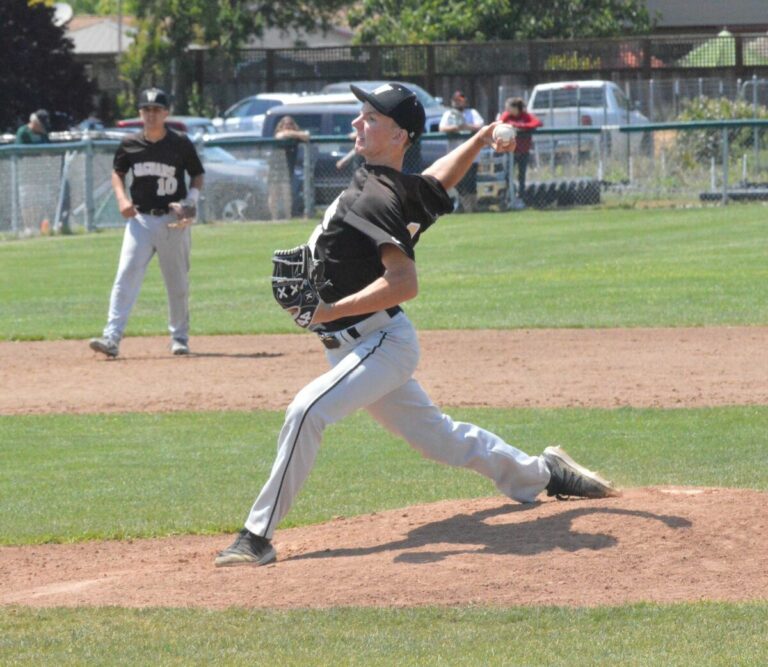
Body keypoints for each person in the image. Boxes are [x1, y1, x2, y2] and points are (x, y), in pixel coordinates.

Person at [214, 82, 619, 567]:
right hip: (356, 346)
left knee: (307, 412)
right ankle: (543, 472)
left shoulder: (379, 197)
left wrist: (327, 312)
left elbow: (404, 283)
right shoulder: (393, 186)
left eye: (370, 118)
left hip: (380, 341)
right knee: (440, 439)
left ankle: (256, 536)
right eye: (360, 114)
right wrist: (482, 137)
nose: (356, 123)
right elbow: (436, 181)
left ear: (400, 134)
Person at [89, 88, 205, 359]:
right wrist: (121, 199)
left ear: (166, 113)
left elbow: (197, 174)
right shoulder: (130, 143)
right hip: (140, 220)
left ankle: (179, 338)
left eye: (156, 110)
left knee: (176, 282)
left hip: (172, 221)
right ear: (140, 113)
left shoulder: (180, 143)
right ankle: (112, 337)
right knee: (125, 276)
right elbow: (117, 173)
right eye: (146, 110)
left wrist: (190, 199)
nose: (151, 114)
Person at [438, 90, 484, 212]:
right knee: (458, 182)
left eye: (461, 100)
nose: (459, 103)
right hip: (454, 155)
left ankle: (473, 207)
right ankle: (463, 206)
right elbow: (442, 128)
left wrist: (466, 126)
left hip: (471, 155)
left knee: (471, 181)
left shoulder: (472, 112)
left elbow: (480, 125)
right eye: (456, 100)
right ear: (453, 101)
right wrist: (456, 127)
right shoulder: (449, 114)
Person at [499, 97, 543, 209]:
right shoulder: (507, 115)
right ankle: (508, 198)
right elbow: (500, 123)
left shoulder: (525, 116)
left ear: (515, 108)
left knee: (521, 176)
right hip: (510, 152)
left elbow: (537, 123)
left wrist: (520, 126)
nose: (506, 110)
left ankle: (521, 198)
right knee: (507, 175)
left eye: (508, 107)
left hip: (523, 151)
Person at [268, 115, 309, 220]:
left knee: (287, 194)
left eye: (290, 124)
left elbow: (307, 136)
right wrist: (297, 134)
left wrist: (298, 134)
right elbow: (281, 135)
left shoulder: (295, 138)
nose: (288, 126)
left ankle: (288, 217)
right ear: (281, 126)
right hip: (275, 169)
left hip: (288, 170)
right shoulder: (280, 134)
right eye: (285, 124)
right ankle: (274, 218)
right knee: (274, 195)